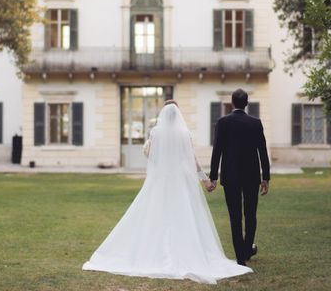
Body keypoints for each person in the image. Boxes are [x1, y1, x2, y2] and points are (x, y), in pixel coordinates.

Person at [82, 100, 252, 284]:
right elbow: (191, 159)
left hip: (162, 180)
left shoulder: (156, 132)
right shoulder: (184, 133)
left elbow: (153, 156)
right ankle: (184, 250)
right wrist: (205, 179)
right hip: (180, 180)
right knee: (183, 215)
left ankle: (155, 250)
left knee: (157, 214)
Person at [207, 88, 271, 266]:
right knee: (250, 214)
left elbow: (217, 151)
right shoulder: (255, 123)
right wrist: (265, 177)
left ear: (232, 102)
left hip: (230, 175)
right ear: (247, 103)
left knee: (235, 216)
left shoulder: (222, 122)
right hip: (251, 175)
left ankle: (241, 257)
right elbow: (262, 152)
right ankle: (246, 251)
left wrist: (213, 176)